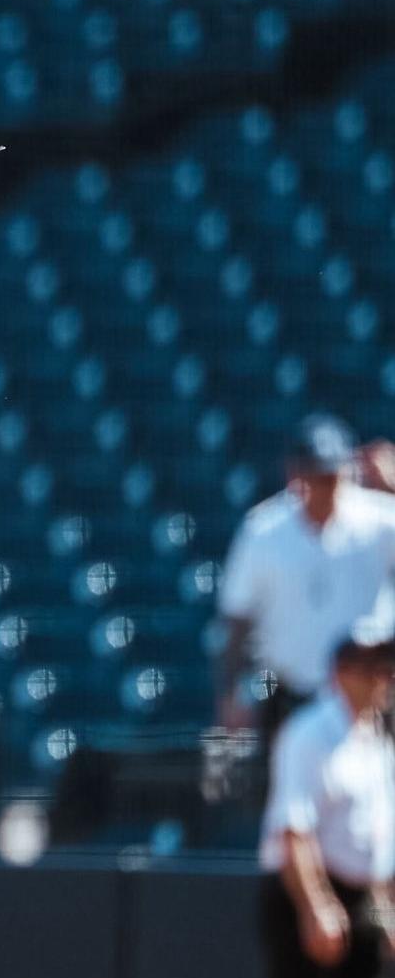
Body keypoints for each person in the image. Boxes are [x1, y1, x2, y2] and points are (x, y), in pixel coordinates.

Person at [216, 414, 395, 744]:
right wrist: (231, 693)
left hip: (368, 698)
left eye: (332, 476)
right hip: (293, 695)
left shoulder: (379, 521)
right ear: (295, 475)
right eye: (316, 477)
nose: (326, 488)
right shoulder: (263, 531)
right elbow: (237, 619)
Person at [259, 609, 395, 978]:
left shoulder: (378, 740)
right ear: (341, 673)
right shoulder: (309, 734)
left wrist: (387, 909)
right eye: (370, 667)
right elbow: (294, 828)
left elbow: (378, 838)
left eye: (386, 667)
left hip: (363, 898)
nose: (383, 677)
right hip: (314, 896)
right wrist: (314, 906)